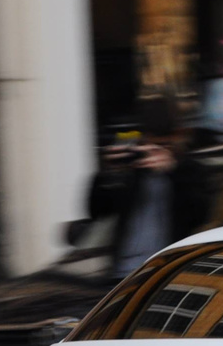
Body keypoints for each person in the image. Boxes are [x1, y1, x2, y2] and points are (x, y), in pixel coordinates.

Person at [87, 99, 210, 275]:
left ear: (180, 136)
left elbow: (199, 216)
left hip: (167, 274)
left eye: (166, 144)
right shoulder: (132, 169)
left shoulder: (192, 170)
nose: (158, 150)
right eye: (154, 143)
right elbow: (97, 211)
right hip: (124, 273)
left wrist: (173, 172)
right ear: (144, 138)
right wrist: (108, 173)